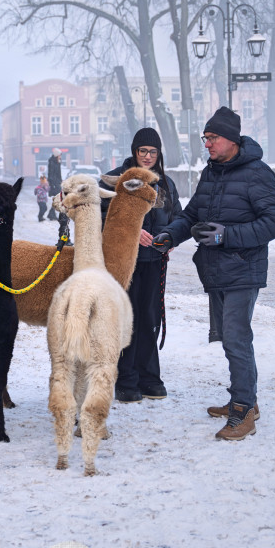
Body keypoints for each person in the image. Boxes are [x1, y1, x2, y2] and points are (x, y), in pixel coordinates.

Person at [153, 106, 275, 440]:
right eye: (206, 138)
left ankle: (243, 412)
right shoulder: (211, 172)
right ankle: (246, 400)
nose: (207, 144)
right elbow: (193, 214)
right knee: (230, 339)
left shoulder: (257, 173)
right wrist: (171, 235)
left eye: (212, 138)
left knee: (237, 339)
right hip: (216, 270)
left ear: (231, 139)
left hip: (244, 269)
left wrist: (227, 235)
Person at [100, 127, 182, 403]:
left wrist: (169, 237)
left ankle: (149, 377)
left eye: (153, 152)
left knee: (149, 319)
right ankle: (126, 379)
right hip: (124, 261)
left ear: (159, 154)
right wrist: (132, 233)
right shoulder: (118, 181)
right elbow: (102, 219)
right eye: (142, 151)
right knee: (127, 319)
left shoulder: (167, 184)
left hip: (155, 262)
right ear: (134, 152)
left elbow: (179, 219)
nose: (147, 156)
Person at [47, 148, 63, 221]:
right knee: (58, 198)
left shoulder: (57, 161)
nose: (60, 156)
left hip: (57, 182)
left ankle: (51, 214)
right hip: (54, 183)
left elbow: (58, 173)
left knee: (58, 199)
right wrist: (52, 183)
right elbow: (51, 174)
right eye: (60, 155)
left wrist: (61, 181)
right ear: (57, 155)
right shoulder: (52, 162)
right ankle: (51, 214)